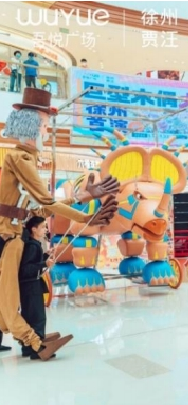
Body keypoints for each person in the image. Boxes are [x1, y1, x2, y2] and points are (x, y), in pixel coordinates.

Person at [0, 88, 119, 361]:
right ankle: (35, 343)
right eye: (44, 126)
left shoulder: (23, 159)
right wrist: (84, 216)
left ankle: (33, 338)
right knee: (8, 300)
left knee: (12, 297)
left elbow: (39, 208)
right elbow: (46, 202)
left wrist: (83, 197)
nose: (46, 132)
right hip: (8, 238)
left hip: (13, 236)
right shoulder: (19, 159)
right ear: (31, 126)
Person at [19, 217, 53, 360]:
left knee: (28, 317)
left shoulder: (31, 244)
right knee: (37, 317)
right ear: (34, 229)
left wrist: (45, 256)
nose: (46, 229)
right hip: (31, 286)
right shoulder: (32, 246)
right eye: (43, 227)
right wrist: (44, 263)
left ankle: (27, 348)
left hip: (27, 286)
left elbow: (31, 262)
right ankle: (37, 349)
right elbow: (25, 268)